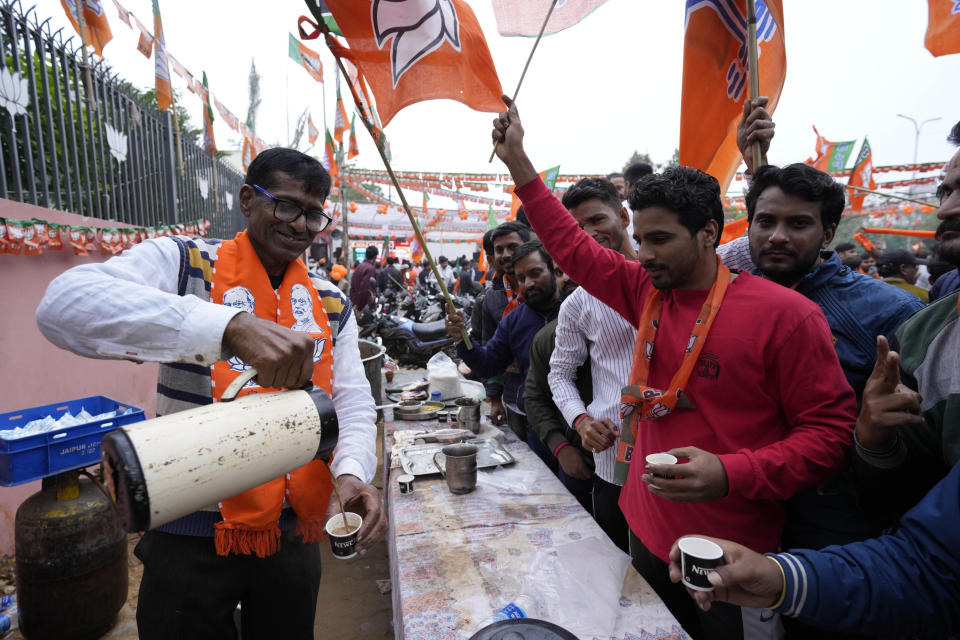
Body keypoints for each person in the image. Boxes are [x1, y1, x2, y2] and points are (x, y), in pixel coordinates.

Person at [492, 97, 857, 640]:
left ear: (710, 232)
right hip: (644, 525)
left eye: (660, 239)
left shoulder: (788, 316)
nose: (645, 253)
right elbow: (570, 246)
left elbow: (830, 438)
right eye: (640, 239)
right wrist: (518, 162)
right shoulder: (645, 290)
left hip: (734, 552)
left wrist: (730, 473)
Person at [36, 148, 387, 639]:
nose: (301, 225)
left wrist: (350, 474)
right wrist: (228, 326)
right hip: (189, 526)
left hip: (292, 530)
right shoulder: (184, 263)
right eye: (286, 206)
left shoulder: (331, 300)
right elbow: (63, 306)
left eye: (313, 213)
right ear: (247, 199)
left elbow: (350, 400)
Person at [665, 458, 960, 639]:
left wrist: (732, 472)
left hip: (819, 532)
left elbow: (826, 437)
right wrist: (781, 578)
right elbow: (929, 568)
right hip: (818, 571)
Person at [850, 122, 960, 524]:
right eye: (944, 192)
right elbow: (905, 508)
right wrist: (873, 439)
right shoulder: (918, 336)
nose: (945, 210)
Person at [548, 177, 638, 553]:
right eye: (579, 228)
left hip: (675, 465)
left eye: (598, 220)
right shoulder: (578, 304)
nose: (589, 234)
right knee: (621, 575)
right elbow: (560, 374)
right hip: (610, 463)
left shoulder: (673, 280)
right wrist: (581, 421)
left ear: (623, 216)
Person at [446, 242, 563, 469]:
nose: (528, 284)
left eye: (535, 273)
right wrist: (461, 338)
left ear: (553, 269)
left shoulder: (576, 309)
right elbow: (488, 364)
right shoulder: (514, 320)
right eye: (521, 278)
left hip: (580, 429)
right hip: (538, 425)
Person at [524, 279, 595, 510]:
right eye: (558, 271)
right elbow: (535, 398)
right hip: (577, 459)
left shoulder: (632, 328)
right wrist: (561, 447)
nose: (567, 277)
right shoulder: (546, 338)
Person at [479, 221, 533, 426]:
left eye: (513, 247)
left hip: (549, 400)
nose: (506, 254)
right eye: (499, 249)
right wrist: (494, 399)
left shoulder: (546, 290)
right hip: (512, 396)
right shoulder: (491, 298)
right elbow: (489, 351)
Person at [350, 245, 378, 310]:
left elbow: (353, 286)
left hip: (354, 302)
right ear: (375, 257)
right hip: (362, 306)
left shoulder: (359, 266)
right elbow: (365, 289)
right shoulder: (370, 269)